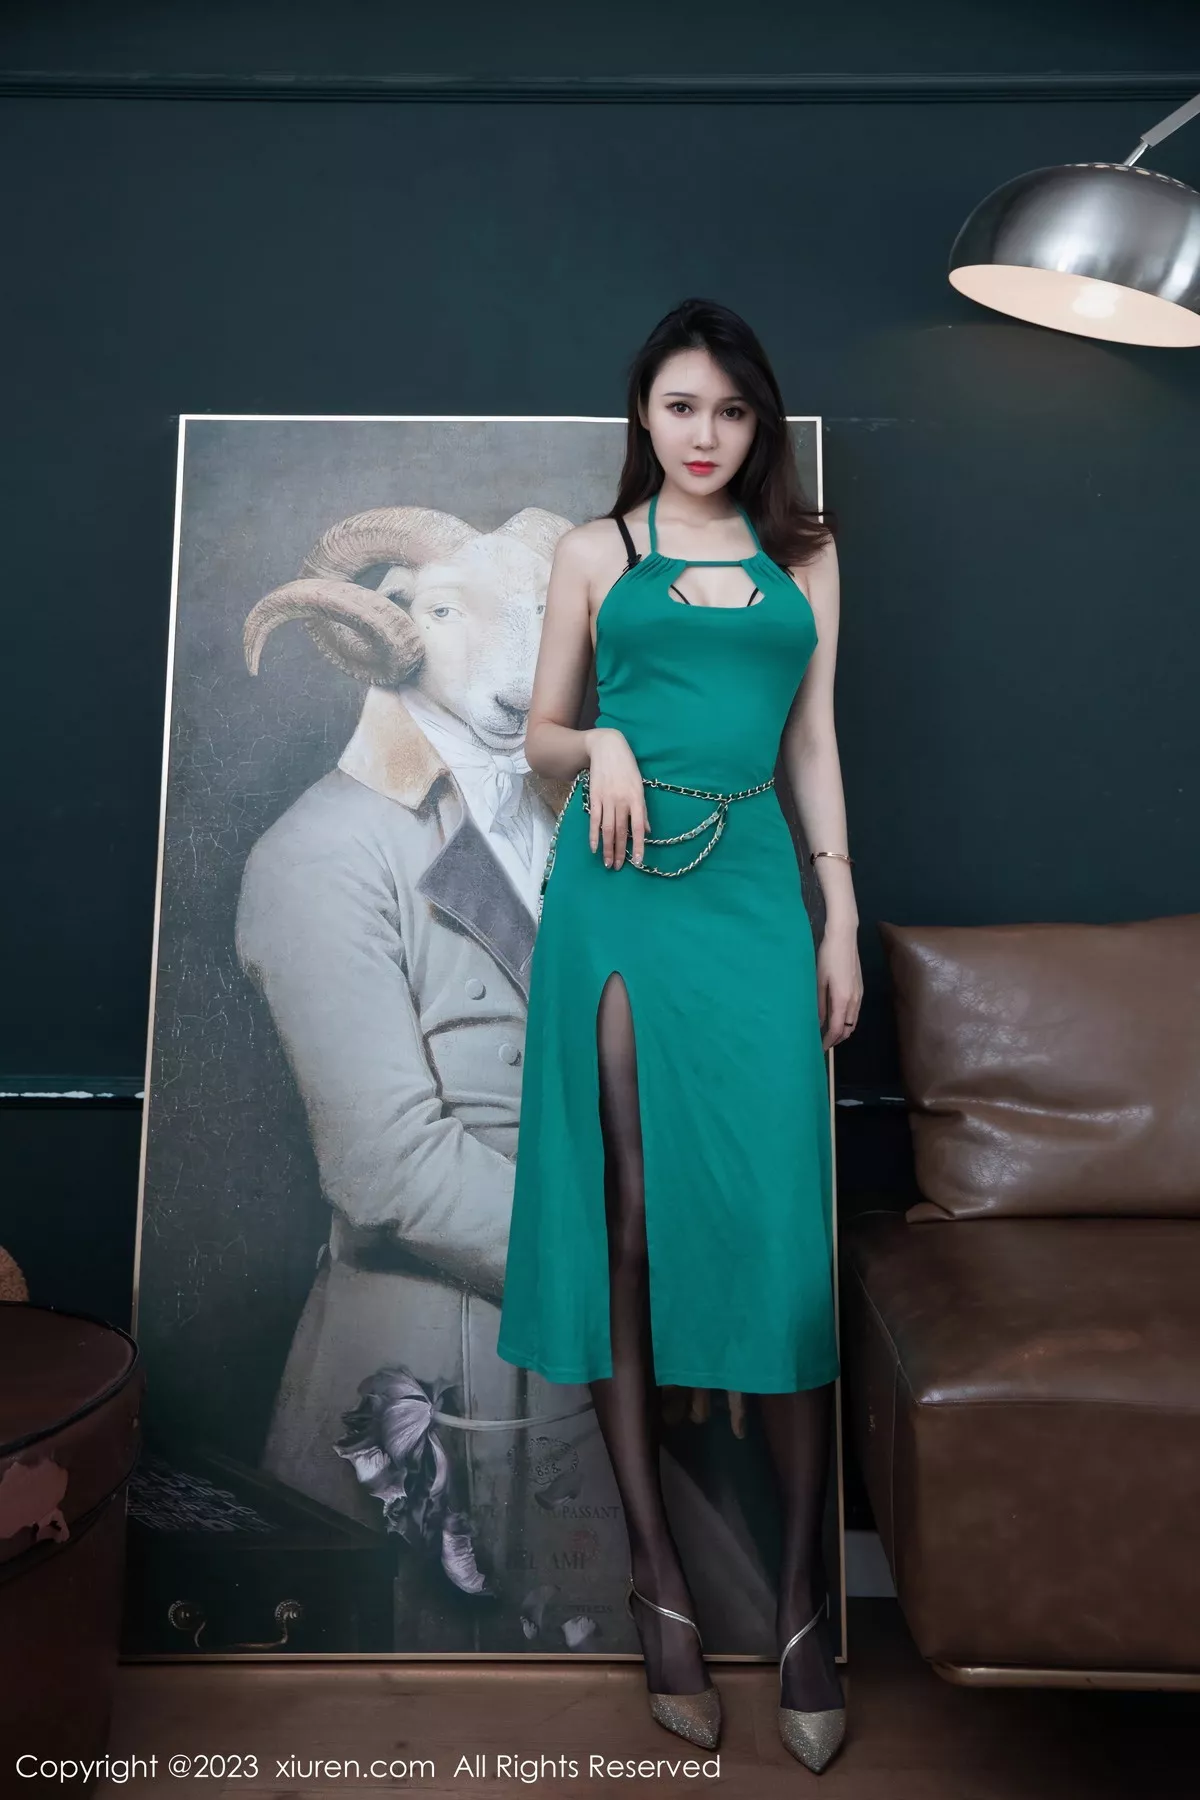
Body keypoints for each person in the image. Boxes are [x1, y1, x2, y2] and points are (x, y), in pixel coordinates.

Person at [495, 298, 862, 1774]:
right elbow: (538, 738)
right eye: (678, 407)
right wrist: (603, 740)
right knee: (632, 1225)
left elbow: (813, 741)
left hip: (758, 894)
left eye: (729, 410)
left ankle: (803, 1604)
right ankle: (659, 1583)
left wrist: (839, 916)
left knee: (778, 1235)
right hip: (620, 899)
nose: (703, 435)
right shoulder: (599, 553)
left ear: (758, 421)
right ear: (641, 416)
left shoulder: (806, 558)